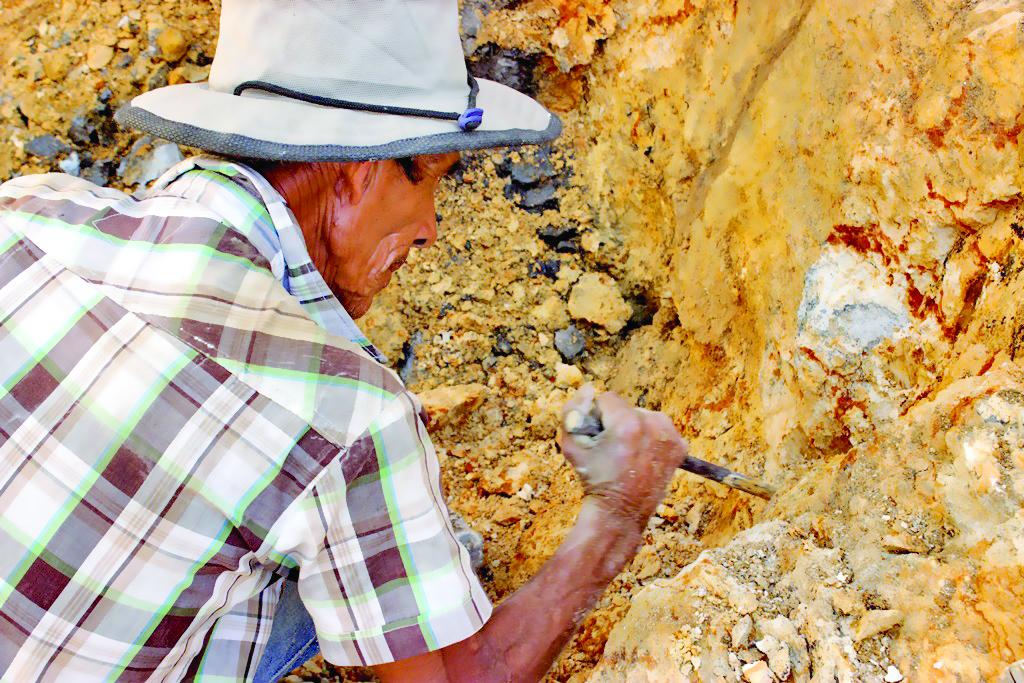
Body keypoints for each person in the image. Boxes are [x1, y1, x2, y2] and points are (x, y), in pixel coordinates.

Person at [0, 1, 686, 681]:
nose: (431, 230)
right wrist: (619, 511)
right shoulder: (351, 414)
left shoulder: (28, 209)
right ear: (360, 174)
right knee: (331, 548)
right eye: (433, 183)